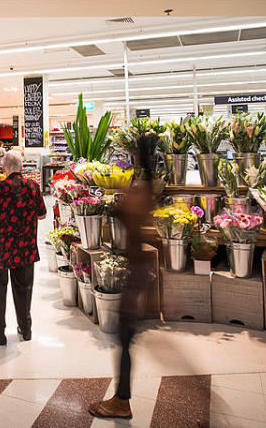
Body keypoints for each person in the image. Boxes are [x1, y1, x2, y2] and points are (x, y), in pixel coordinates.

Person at [90, 134, 156, 421]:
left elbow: (128, 216)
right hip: (139, 274)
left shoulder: (137, 196)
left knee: (125, 341)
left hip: (133, 278)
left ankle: (122, 400)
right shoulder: (147, 190)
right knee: (125, 341)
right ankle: (121, 396)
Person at [0, 150, 46, 345]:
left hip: (2, 248)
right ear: (21, 167)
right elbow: (42, 214)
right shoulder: (33, 186)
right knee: (24, 288)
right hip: (26, 247)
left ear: (4, 168)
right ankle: (25, 330)